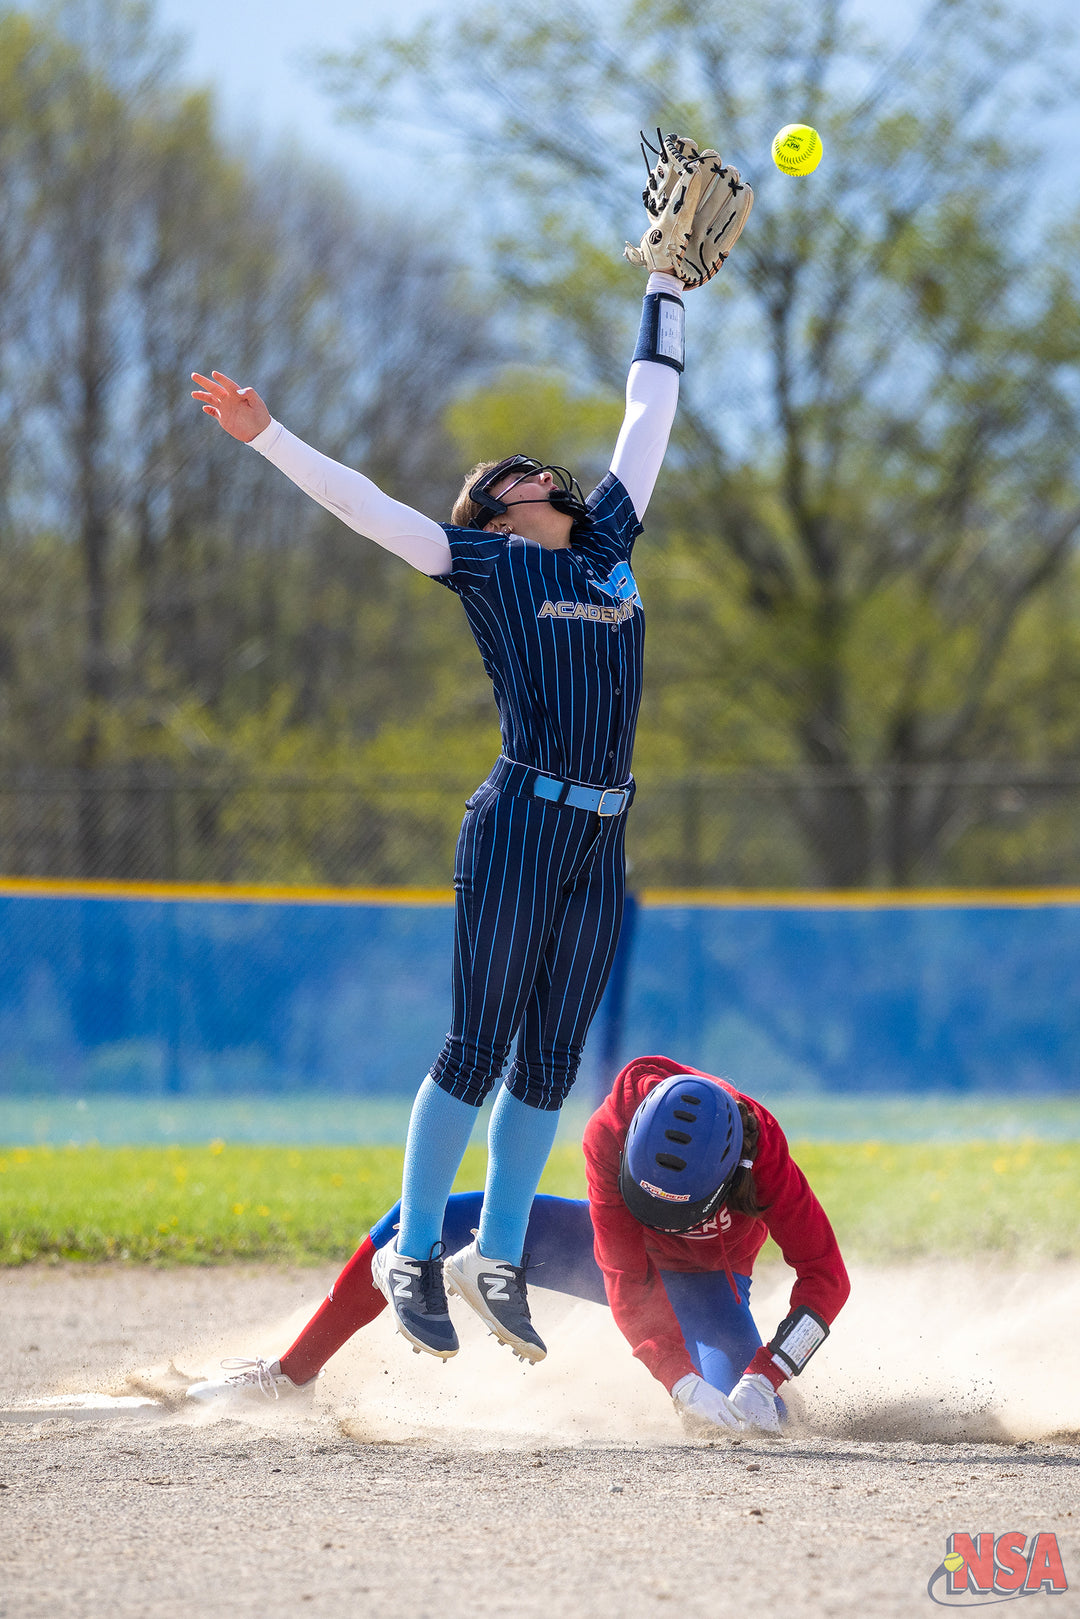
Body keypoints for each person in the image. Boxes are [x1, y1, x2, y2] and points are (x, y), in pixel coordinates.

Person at [191, 141, 752, 1370]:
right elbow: (371, 508)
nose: (531, 467)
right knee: (478, 1040)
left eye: (531, 467)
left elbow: (649, 409)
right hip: (518, 821)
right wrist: (267, 434)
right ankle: (410, 1254)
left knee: (552, 1054)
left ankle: (496, 1255)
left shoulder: (603, 542)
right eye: (504, 475)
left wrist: (663, 285)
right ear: (493, 511)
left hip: (603, 827)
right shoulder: (486, 564)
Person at [188, 1055, 849, 1432]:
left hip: (710, 1282)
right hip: (619, 1262)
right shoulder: (610, 1132)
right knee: (426, 1225)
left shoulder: (767, 1167)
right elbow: (624, 1277)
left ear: (731, 1181)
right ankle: (290, 1373)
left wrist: (770, 1371)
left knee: (751, 1426)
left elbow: (827, 1278)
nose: (658, 1218)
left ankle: (755, 1386)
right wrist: (674, 1376)